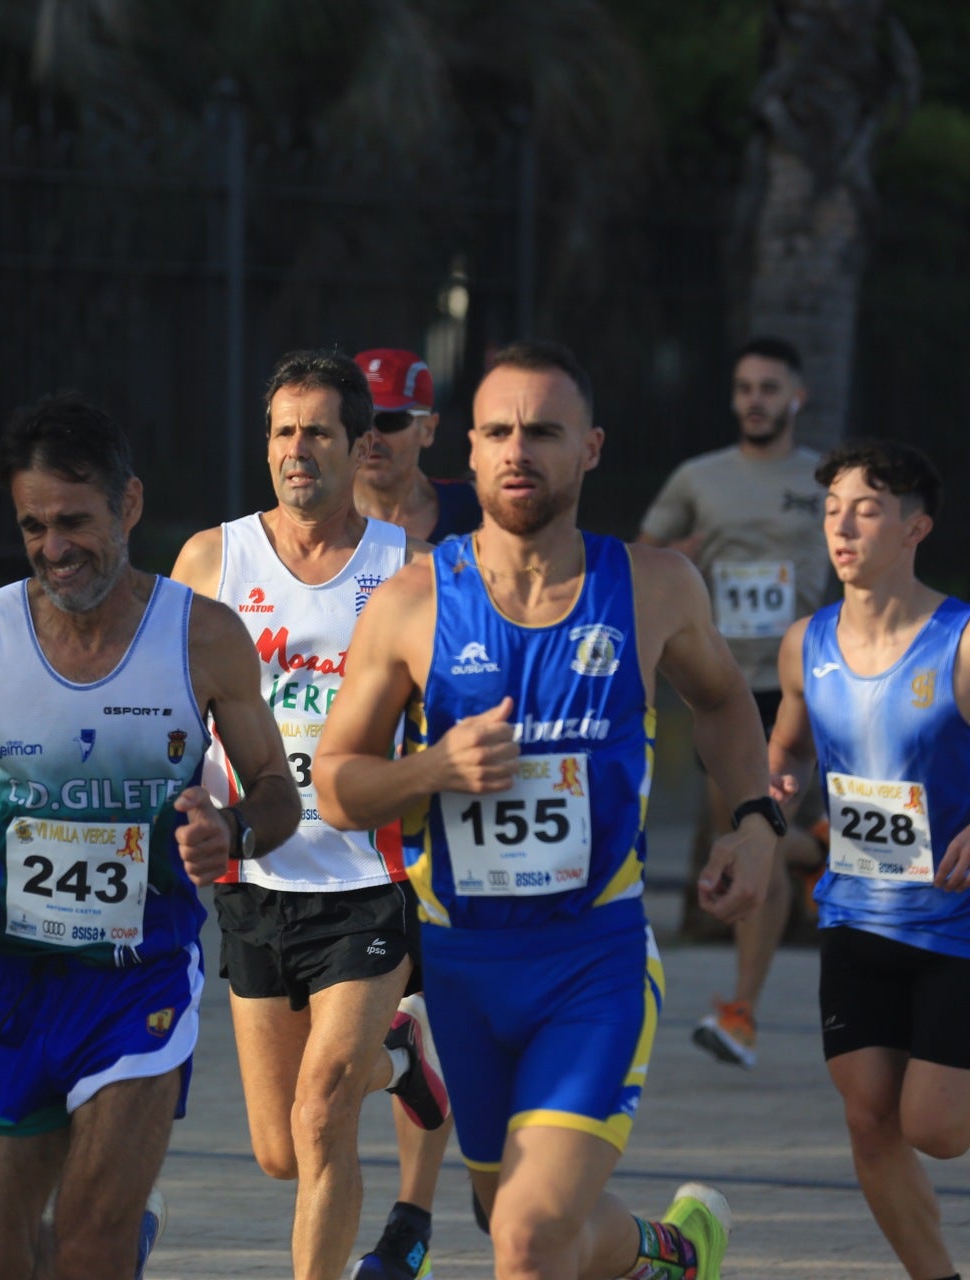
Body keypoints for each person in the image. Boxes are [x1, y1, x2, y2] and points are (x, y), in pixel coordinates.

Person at [315, 340, 780, 1280]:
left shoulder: (651, 587)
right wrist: (432, 768)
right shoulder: (412, 603)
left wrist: (757, 821)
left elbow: (726, 700)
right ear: (472, 453)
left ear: (592, 448)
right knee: (512, 1219)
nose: (518, 449)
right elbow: (336, 782)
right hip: (463, 969)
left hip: (593, 961)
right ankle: (671, 1254)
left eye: (544, 431)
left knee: (527, 1239)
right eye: (498, 431)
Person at [0, 390, 302, 1280]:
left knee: (87, 1248)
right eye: (32, 527)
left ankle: (114, 1235)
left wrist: (233, 831)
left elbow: (281, 794)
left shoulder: (201, 638)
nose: (54, 549)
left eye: (75, 522)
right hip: (13, 981)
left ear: (128, 505)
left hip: (140, 985)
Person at [169, 350, 449, 1280]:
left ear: (357, 445)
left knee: (323, 1110)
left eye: (317, 432)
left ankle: (373, 1053)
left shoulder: (406, 570)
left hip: (368, 880)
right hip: (254, 878)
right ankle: (399, 1057)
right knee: (280, 1149)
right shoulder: (214, 560)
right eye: (283, 431)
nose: (297, 450)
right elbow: (168, 706)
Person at [767, 439, 970, 1280]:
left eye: (868, 508)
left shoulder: (959, 641)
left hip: (956, 927)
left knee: (936, 1129)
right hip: (855, 913)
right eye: (831, 509)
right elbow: (786, 755)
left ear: (916, 526)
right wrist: (762, 811)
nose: (842, 527)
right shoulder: (804, 644)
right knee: (868, 1121)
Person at [638, 335, 829, 1069]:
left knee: (759, 836)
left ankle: (743, 1010)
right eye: (745, 387)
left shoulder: (821, 479)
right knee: (753, 835)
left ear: (796, 397)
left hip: (805, 678)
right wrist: (677, 559)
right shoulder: (699, 477)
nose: (756, 400)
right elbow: (642, 558)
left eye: (770, 388)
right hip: (724, 682)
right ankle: (833, 856)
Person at [351, 348, 481, 544]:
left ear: (428, 430)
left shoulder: (475, 509)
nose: (373, 437)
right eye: (360, 421)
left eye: (391, 421)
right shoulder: (313, 516)